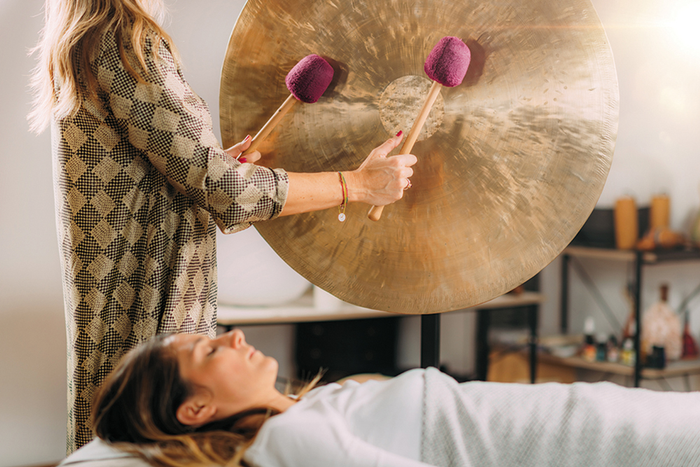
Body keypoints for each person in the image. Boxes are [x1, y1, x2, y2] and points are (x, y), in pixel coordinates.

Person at [28, 0, 417, 453]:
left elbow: (153, 175)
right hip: (151, 300)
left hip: (121, 295)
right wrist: (357, 184)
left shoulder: (89, 34)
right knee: (151, 444)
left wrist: (215, 165)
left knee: (121, 443)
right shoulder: (121, 36)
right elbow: (227, 193)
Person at [78, 329, 700, 467]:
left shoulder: (301, 415)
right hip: (566, 438)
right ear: (196, 410)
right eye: (211, 351)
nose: (233, 335)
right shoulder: (290, 440)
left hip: (563, 413)